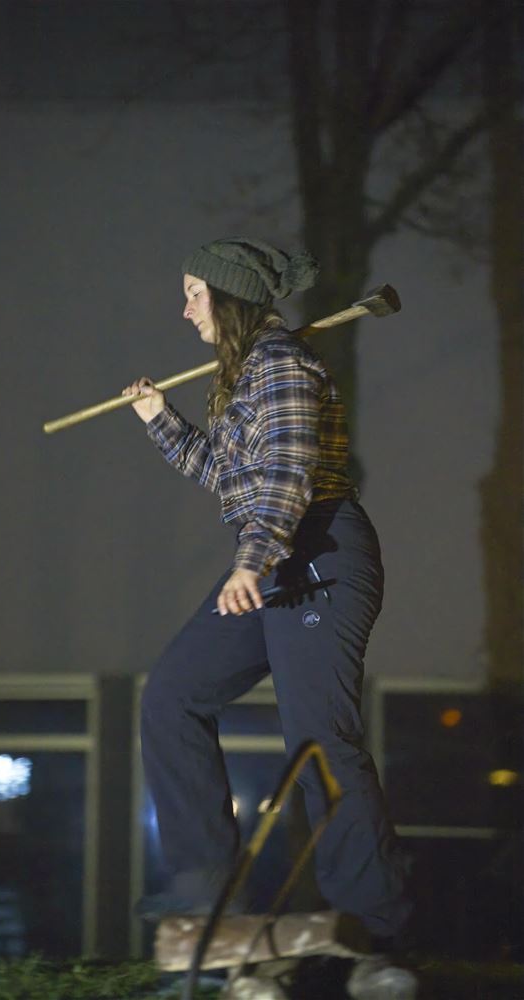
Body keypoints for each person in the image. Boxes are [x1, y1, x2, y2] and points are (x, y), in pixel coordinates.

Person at [122, 238, 412, 950]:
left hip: (318, 553)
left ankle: (375, 928)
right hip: (275, 555)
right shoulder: (247, 371)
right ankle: (205, 890)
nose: (185, 310)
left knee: (319, 738)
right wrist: (159, 419)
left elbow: (286, 475)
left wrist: (249, 564)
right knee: (172, 697)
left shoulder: (281, 363)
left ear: (229, 297)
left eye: (194, 294)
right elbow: (230, 477)